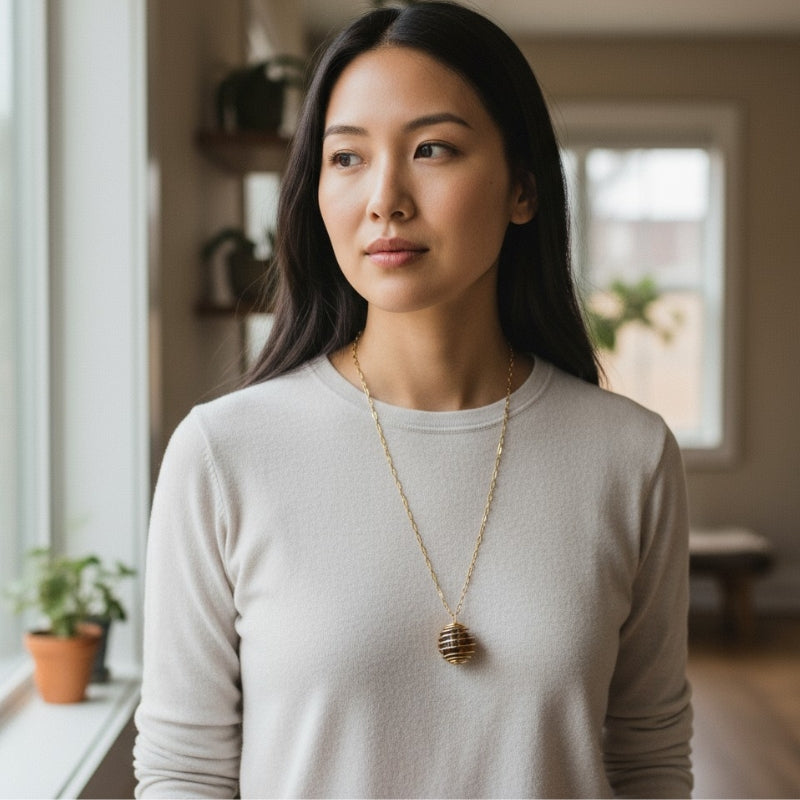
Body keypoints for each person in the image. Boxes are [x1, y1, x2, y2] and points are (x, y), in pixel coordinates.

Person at [133, 2, 693, 797]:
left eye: (432, 148)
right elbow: (182, 771)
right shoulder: (224, 453)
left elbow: (650, 760)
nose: (385, 199)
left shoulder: (630, 455)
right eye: (347, 158)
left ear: (523, 189)